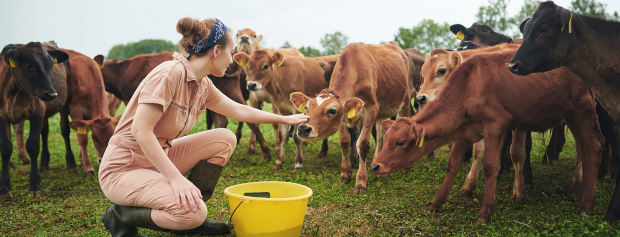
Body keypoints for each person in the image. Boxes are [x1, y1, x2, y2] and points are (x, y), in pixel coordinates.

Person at [98, 17, 308, 236]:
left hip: (158, 158)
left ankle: (185, 212)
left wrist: (285, 119)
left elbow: (238, 110)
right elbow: (141, 131)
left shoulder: (202, 83)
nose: (233, 60)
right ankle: (121, 216)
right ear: (216, 51)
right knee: (193, 214)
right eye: (231, 52)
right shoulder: (169, 74)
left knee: (224, 139)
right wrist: (175, 179)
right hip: (125, 168)